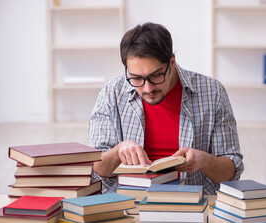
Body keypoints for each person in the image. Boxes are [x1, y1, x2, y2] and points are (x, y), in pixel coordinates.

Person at [89, 22, 243, 195]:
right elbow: (96, 168)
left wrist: (205, 160)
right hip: (128, 205)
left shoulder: (212, 92)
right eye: (136, 78)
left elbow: (231, 172)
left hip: (192, 204)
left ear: (172, 62)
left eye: (155, 76)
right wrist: (118, 151)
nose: (147, 89)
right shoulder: (111, 93)